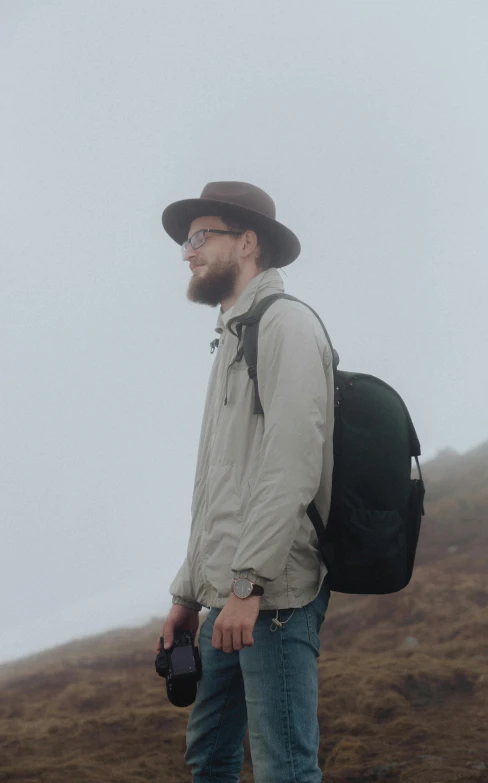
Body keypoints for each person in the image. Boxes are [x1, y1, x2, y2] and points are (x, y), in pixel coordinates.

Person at [157, 181, 335, 783]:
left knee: (285, 768)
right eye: (187, 240)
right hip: (228, 598)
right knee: (209, 759)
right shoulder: (233, 336)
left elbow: (291, 466)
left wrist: (249, 584)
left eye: (201, 237)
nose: (188, 251)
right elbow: (218, 486)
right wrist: (187, 595)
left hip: (272, 598)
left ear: (249, 243)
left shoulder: (285, 327)